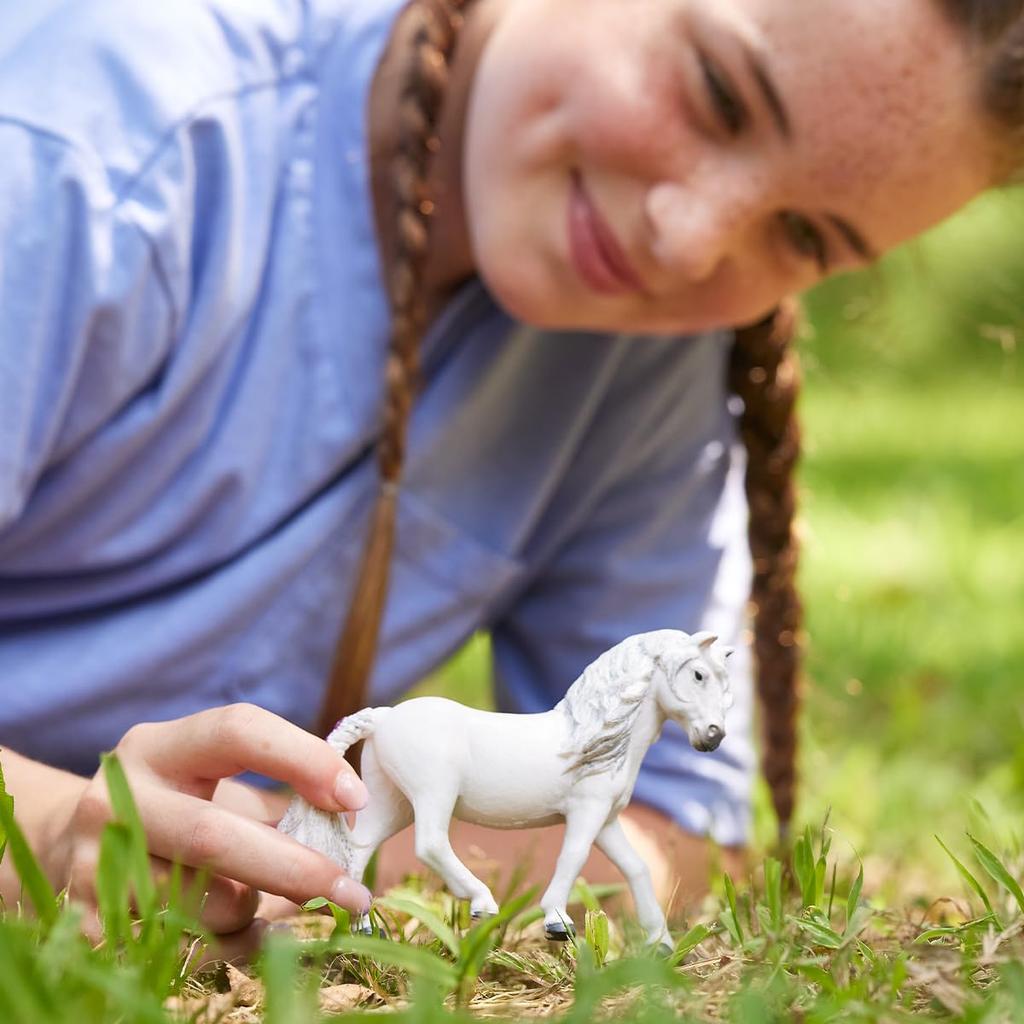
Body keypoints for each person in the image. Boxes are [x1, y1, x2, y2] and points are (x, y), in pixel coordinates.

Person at [0, 0, 1013, 955]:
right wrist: (49, 832)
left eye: (801, 236)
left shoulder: (633, 349)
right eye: (715, 91)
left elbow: (675, 823)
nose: (688, 235)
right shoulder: (81, 149)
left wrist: (285, 847)